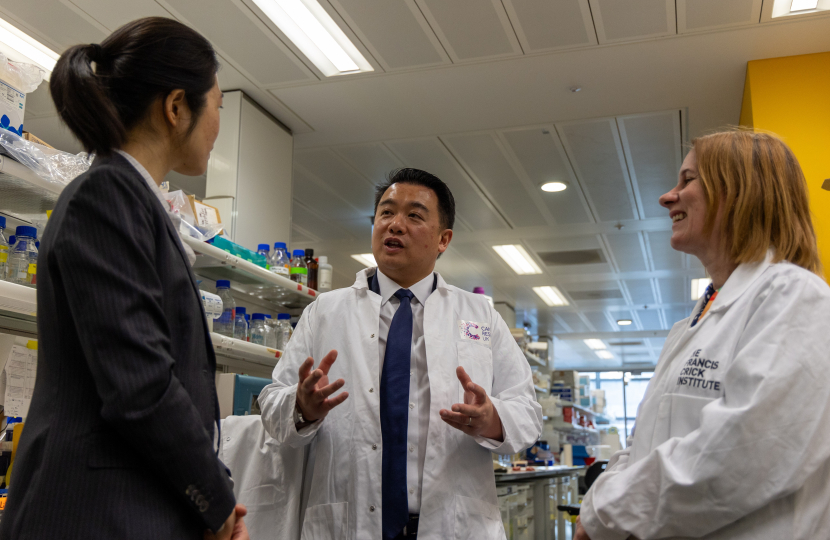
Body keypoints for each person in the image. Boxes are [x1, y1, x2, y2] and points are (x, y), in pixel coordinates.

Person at [0, 18, 248, 540]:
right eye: (218, 107)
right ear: (177, 107)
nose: (217, 126)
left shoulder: (134, 201)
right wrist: (218, 504)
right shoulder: (107, 196)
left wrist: (211, 489)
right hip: (95, 512)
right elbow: (143, 387)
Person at [259, 168, 542, 539]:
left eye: (414, 215)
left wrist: (492, 419)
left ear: (443, 239)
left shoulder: (480, 316)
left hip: (454, 525)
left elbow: (527, 412)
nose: (395, 225)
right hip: (350, 523)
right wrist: (301, 408)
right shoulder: (325, 312)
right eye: (386, 212)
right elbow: (272, 404)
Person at [576, 130, 830, 540]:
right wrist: (601, 504)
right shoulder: (692, 325)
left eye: (687, 180)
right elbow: (641, 445)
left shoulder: (796, 297)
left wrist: (607, 511)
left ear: (740, 191)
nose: (667, 196)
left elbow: (746, 453)